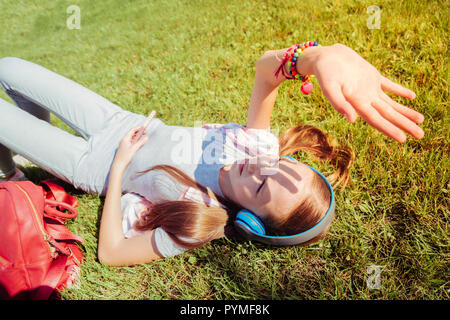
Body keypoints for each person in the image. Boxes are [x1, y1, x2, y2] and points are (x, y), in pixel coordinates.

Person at [0, 43, 424, 266]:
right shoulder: (257, 150)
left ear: (249, 219)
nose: (259, 164)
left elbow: (111, 252)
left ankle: (13, 173)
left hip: (93, 164)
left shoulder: (199, 220)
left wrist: (121, 167)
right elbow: (267, 71)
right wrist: (321, 57)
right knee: (10, 69)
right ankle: (17, 160)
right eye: (280, 164)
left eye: (260, 185)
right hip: (116, 117)